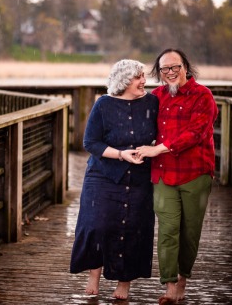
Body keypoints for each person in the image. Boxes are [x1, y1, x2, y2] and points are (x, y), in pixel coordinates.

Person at [70, 59, 158, 300]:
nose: (144, 81)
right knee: (97, 224)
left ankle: (124, 282)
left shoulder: (153, 102)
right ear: (123, 81)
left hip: (139, 176)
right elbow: (90, 143)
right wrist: (120, 154)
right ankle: (94, 273)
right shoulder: (103, 105)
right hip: (103, 174)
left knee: (132, 227)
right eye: (138, 77)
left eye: (143, 76)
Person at [136, 48, 219, 304]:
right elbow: (137, 122)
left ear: (185, 67)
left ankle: (183, 279)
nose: (170, 72)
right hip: (162, 174)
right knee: (168, 230)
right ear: (159, 73)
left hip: (195, 173)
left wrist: (158, 148)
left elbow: (195, 133)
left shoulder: (203, 96)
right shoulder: (155, 97)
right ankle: (170, 286)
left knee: (189, 231)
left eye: (175, 67)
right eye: (165, 69)